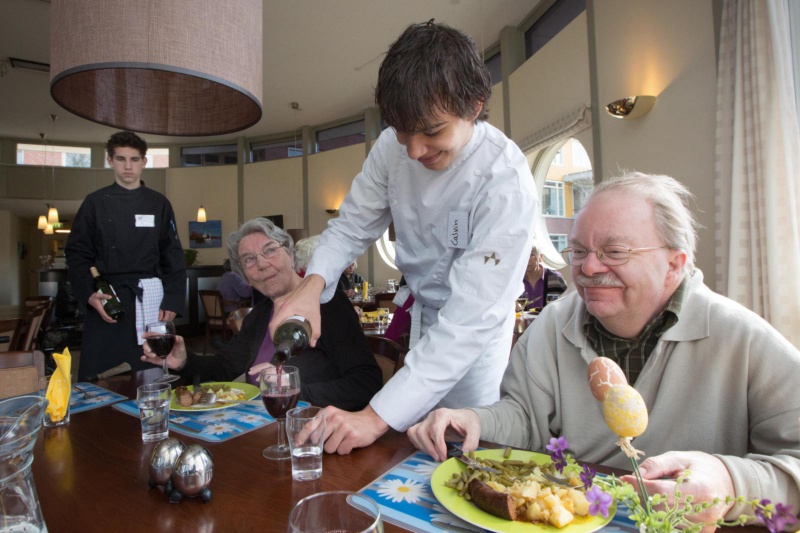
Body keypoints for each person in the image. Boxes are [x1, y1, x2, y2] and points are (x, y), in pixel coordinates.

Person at [408, 172, 800, 525]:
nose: (589, 268)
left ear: (674, 264)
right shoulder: (552, 325)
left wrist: (729, 480)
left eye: (614, 252)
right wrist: (475, 421)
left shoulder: (742, 338)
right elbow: (526, 420)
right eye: (579, 251)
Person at [270, 21, 537, 454]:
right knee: (410, 454)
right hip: (425, 315)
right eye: (402, 132)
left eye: (432, 132)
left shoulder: (504, 180)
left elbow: (468, 323)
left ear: (474, 106)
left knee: (463, 455)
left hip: (473, 341)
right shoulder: (391, 150)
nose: (414, 150)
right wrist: (310, 286)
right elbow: (351, 226)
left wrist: (373, 418)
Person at [141, 218, 382, 411]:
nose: (262, 264)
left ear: (289, 253)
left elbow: (366, 382)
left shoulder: (327, 303)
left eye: (270, 250)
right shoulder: (260, 314)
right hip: (260, 427)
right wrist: (183, 361)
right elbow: (223, 367)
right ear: (245, 276)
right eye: (249, 259)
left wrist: (294, 388)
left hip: (311, 431)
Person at [66, 131, 186, 380]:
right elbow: (77, 254)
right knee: (101, 377)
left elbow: (172, 254)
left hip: (150, 299)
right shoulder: (94, 203)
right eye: (121, 159)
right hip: (109, 299)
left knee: (152, 371)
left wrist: (173, 299)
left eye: (134, 159)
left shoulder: (158, 203)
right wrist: (90, 294)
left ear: (144, 161)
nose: (128, 166)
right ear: (110, 160)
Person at [521, 244, 566, 310]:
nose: (527, 259)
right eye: (523, 255)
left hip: (550, 319)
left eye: (531, 255)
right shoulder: (515, 281)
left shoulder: (556, 278)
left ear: (540, 257)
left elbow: (567, 304)